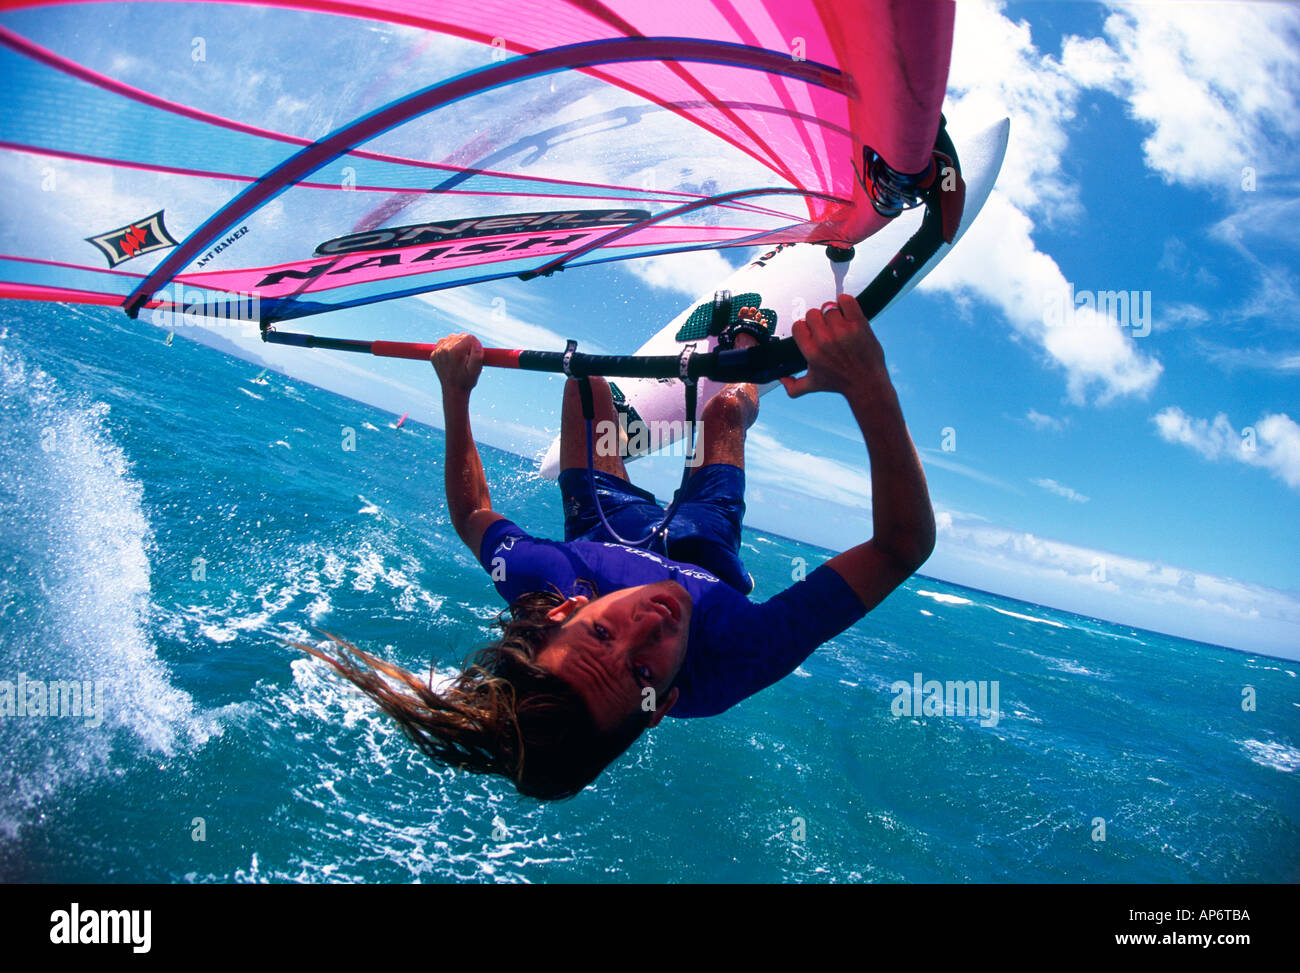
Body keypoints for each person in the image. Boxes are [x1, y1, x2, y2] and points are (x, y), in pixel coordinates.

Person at [303, 294, 935, 799]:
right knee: (722, 416)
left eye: (602, 636)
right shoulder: (737, 660)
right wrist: (868, 384)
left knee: (586, 385)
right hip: (705, 551)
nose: (647, 627)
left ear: (564, 613)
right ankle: (744, 345)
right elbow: (901, 547)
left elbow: (473, 514)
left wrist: (456, 391)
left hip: (607, 528)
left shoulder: (545, 581)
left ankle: (617, 425)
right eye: (643, 671)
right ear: (663, 707)